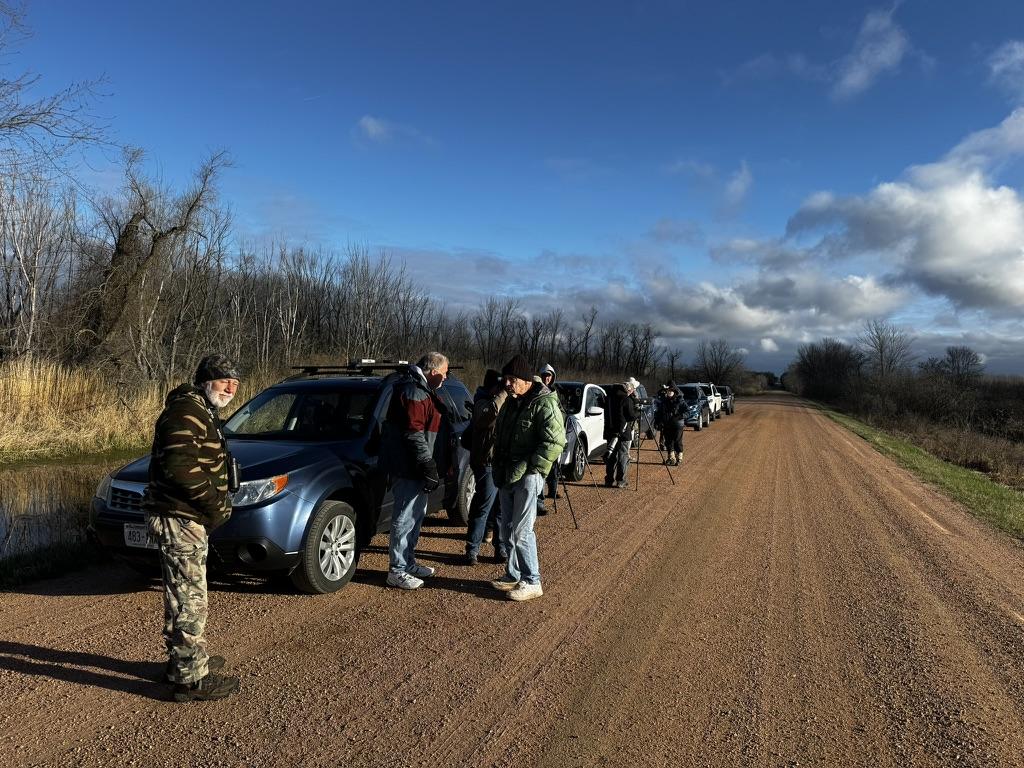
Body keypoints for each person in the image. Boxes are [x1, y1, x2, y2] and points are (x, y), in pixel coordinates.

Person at [143, 354, 241, 703]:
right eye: (223, 380)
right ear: (205, 380)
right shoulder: (187, 411)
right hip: (180, 517)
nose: (230, 387)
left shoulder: (201, 409)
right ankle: (189, 680)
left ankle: (184, 662)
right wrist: (216, 504)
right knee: (190, 600)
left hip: (187, 517)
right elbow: (179, 467)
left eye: (234, 382)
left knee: (185, 596)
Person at [490, 354, 566, 602]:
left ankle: (532, 581)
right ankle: (513, 574)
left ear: (525, 380)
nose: (508, 384)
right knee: (507, 527)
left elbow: (555, 442)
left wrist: (534, 468)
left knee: (523, 530)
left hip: (528, 476)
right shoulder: (513, 401)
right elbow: (500, 432)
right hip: (507, 473)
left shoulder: (544, 404)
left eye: (512, 380)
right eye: (506, 379)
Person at [380, 352, 449, 590]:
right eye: (444, 373)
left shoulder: (422, 389)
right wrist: (427, 464)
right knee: (404, 517)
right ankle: (396, 569)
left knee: (416, 516)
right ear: (433, 371)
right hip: (409, 466)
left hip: (418, 467)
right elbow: (413, 433)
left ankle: (408, 562)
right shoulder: (413, 391)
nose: (445, 378)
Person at [463, 369, 507, 565]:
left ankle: (501, 548)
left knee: (501, 509)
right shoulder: (481, 402)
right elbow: (490, 415)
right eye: (499, 386)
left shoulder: (501, 401)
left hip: (501, 462)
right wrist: (503, 394)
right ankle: (472, 549)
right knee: (483, 507)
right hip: (486, 463)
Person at [536, 363, 563, 515]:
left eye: (549, 375)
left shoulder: (555, 392)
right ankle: (539, 502)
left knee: (554, 467)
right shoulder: (537, 391)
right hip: (541, 437)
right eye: (545, 375)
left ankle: (553, 490)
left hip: (554, 436)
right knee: (541, 470)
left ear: (553, 377)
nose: (547, 378)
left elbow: (560, 413)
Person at [603, 380, 638, 488]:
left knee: (611, 457)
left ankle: (609, 480)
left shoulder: (608, 398)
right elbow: (631, 416)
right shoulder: (625, 399)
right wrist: (638, 411)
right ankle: (621, 481)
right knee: (623, 456)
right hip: (623, 432)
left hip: (610, 431)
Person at [656, 383, 686, 465]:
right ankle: (671, 458)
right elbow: (660, 413)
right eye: (668, 391)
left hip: (677, 424)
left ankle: (679, 457)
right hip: (667, 424)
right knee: (668, 441)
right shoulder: (664, 401)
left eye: (671, 391)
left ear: (675, 392)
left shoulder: (680, 400)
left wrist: (680, 416)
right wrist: (658, 422)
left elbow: (687, 411)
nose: (669, 392)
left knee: (677, 441)